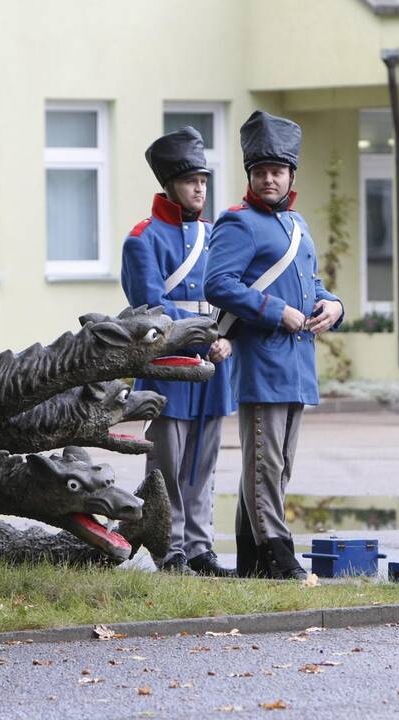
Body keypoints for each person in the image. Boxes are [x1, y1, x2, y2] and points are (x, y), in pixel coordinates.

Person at [204, 111, 344, 580]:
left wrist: (334, 306)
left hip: (298, 363)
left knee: (277, 467)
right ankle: (279, 556)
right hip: (262, 360)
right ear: (250, 176)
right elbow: (218, 284)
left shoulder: (297, 223)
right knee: (266, 464)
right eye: (260, 172)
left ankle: (252, 561)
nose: (268, 179)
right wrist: (273, 310)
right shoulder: (237, 223)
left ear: (290, 176)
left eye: (277, 172)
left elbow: (311, 284)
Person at [120, 126, 236, 577]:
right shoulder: (143, 238)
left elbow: (230, 294)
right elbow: (150, 303)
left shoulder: (214, 235)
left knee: (204, 463)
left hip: (213, 361)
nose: (200, 189)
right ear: (170, 185)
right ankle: (170, 550)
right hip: (170, 363)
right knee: (168, 462)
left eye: (204, 181)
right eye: (191, 181)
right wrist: (208, 332)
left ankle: (201, 548)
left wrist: (226, 334)